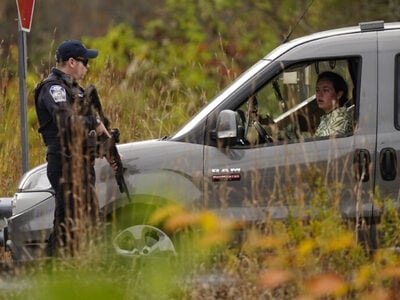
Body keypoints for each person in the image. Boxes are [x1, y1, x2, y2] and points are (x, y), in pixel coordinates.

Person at [34, 40, 111, 257]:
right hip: (64, 163)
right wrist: (93, 122)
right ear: (71, 62)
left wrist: (107, 147)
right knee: (73, 220)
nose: (87, 67)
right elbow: (66, 122)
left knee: (67, 222)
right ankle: (59, 271)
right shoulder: (53, 88)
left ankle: (54, 271)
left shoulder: (75, 89)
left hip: (81, 163)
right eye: (85, 62)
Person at [314, 71, 353, 137]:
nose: (319, 95)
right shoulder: (329, 116)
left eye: (326, 90)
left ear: (339, 94)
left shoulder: (340, 119)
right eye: (317, 90)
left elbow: (325, 146)